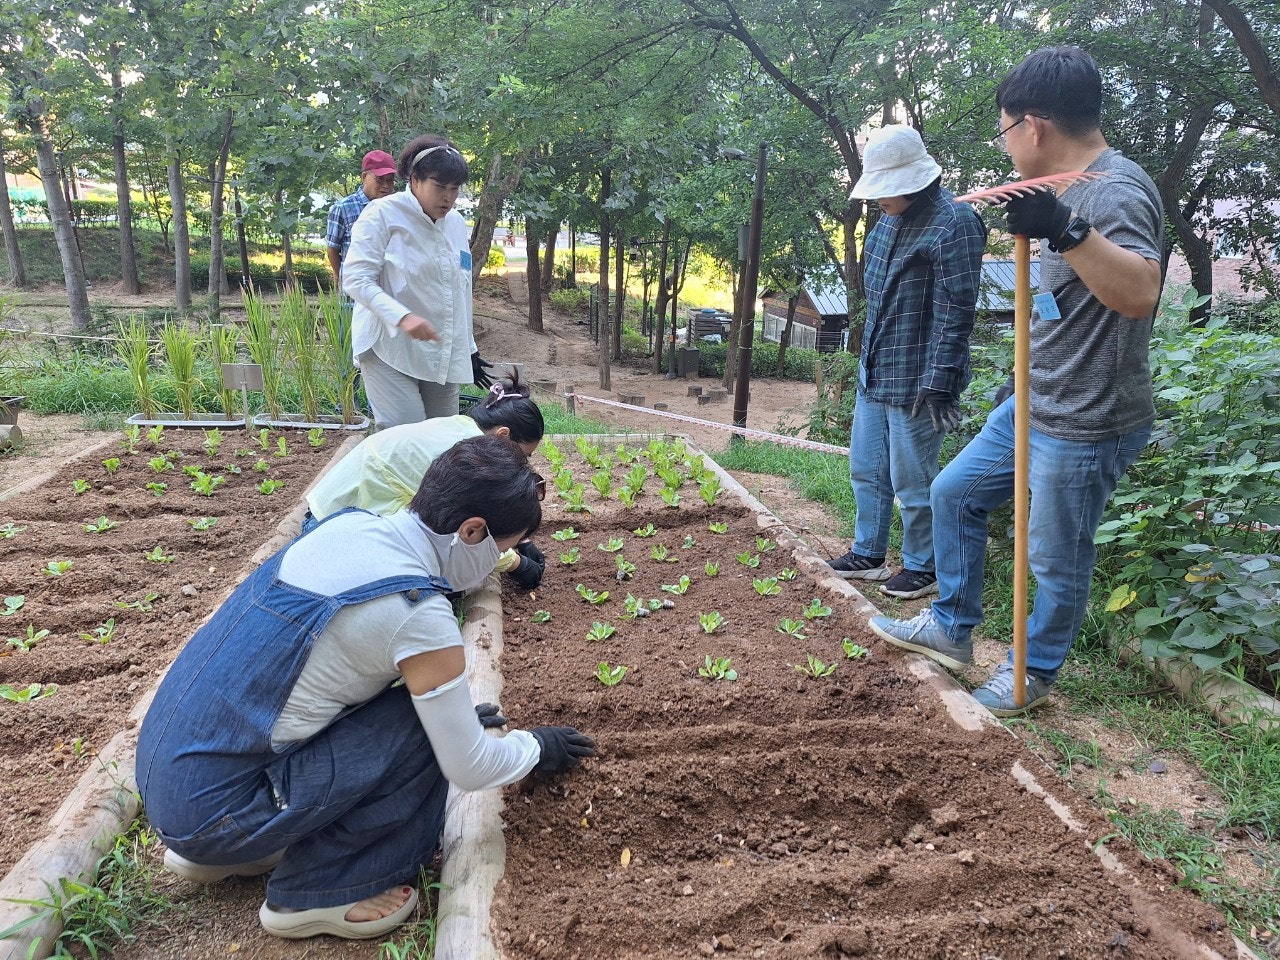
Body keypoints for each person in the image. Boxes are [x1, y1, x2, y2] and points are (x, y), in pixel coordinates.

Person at [136, 434, 594, 941]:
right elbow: (469, 766)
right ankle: (320, 889)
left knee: (416, 712)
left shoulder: (350, 526)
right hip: (214, 814)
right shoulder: (418, 611)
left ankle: (235, 845)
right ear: (471, 531)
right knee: (423, 732)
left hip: (172, 779)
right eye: (501, 551)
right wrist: (535, 747)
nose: (497, 565)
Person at [870, 46, 1164, 716]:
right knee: (954, 495)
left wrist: (1065, 229)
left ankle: (1033, 671)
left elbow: (1141, 292)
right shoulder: (1060, 184)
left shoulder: (1112, 191)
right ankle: (951, 625)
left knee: (1055, 557)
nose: (1007, 145)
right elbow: (1057, 307)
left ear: (1033, 125)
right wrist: (1018, 377)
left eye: (1005, 130)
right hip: (1036, 399)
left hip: (1088, 417)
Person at [827, 125, 986, 600]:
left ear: (915, 181)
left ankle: (923, 565)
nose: (878, 199)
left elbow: (958, 309)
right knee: (866, 466)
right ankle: (868, 553)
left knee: (913, 479)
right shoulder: (888, 220)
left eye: (886, 189)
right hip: (875, 367)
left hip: (920, 378)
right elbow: (875, 303)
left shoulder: (954, 221)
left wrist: (940, 380)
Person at [304, 374, 548, 590]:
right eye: (522, 454)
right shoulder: (472, 460)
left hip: (334, 512)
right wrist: (516, 564)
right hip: (333, 532)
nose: (520, 463)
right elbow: (466, 533)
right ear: (503, 434)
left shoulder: (462, 428)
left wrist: (521, 539)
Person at [343, 133, 496, 428]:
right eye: (439, 186)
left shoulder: (454, 223)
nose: (448, 197)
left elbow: (460, 288)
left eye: (455, 188)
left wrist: (470, 348)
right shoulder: (382, 214)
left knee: (442, 436)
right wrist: (402, 317)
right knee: (405, 434)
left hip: (440, 350)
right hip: (389, 346)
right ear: (414, 180)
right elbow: (356, 278)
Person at [325, 150, 398, 286]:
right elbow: (332, 249)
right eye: (380, 179)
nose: (386, 186)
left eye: (390, 180)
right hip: (354, 289)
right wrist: (340, 276)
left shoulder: (395, 208)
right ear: (364, 176)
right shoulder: (343, 208)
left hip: (388, 289)